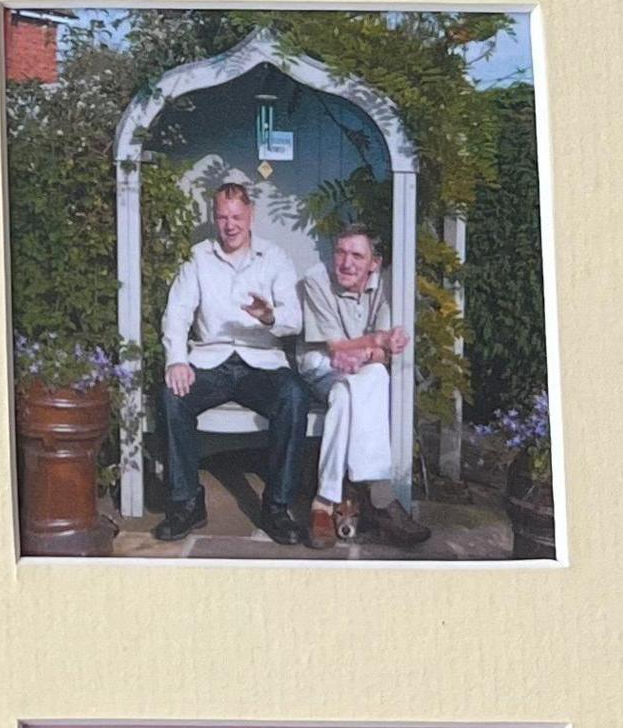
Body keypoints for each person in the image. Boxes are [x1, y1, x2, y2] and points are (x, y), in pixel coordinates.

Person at [160, 165, 309, 546]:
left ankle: (276, 507)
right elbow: (177, 313)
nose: (229, 225)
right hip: (210, 361)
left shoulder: (273, 258)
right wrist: (177, 359)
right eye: (222, 217)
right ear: (215, 218)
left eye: (237, 217)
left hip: (261, 362)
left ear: (251, 216)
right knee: (173, 394)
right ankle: (187, 503)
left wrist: (269, 316)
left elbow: (293, 320)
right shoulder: (198, 258)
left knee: (293, 396)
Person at [300, 223, 431, 553]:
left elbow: (384, 351)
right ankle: (380, 497)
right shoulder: (315, 280)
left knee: (364, 383)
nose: (346, 263)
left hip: (361, 369)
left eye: (357, 255)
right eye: (341, 253)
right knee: (351, 387)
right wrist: (372, 344)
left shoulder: (387, 285)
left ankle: (324, 503)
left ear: (374, 262)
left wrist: (370, 352)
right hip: (321, 364)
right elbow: (335, 347)